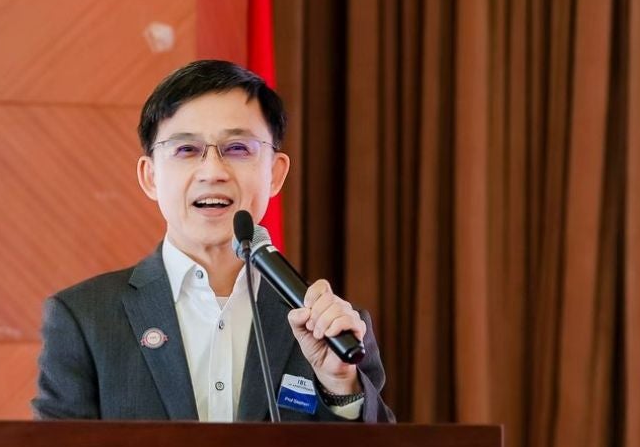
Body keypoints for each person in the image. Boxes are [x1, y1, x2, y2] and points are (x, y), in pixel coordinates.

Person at [30, 59, 393, 422]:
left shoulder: (331, 325)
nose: (213, 172)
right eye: (186, 150)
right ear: (150, 177)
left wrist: (339, 386)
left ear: (276, 173)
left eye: (238, 148)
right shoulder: (85, 319)